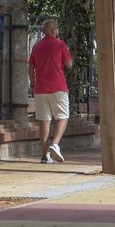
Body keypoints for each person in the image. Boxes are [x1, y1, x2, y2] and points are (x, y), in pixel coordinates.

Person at [28, 18, 74, 163]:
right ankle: (55, 144)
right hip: (58, 87)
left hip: (40, 88)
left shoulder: (36, 46)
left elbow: (30, 66)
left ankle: (44, 155)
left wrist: (32, 84)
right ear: (54, 31)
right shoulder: (60, 45)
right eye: (57, 29)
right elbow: (69, 64)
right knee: (63, 116)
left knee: (44, 121)